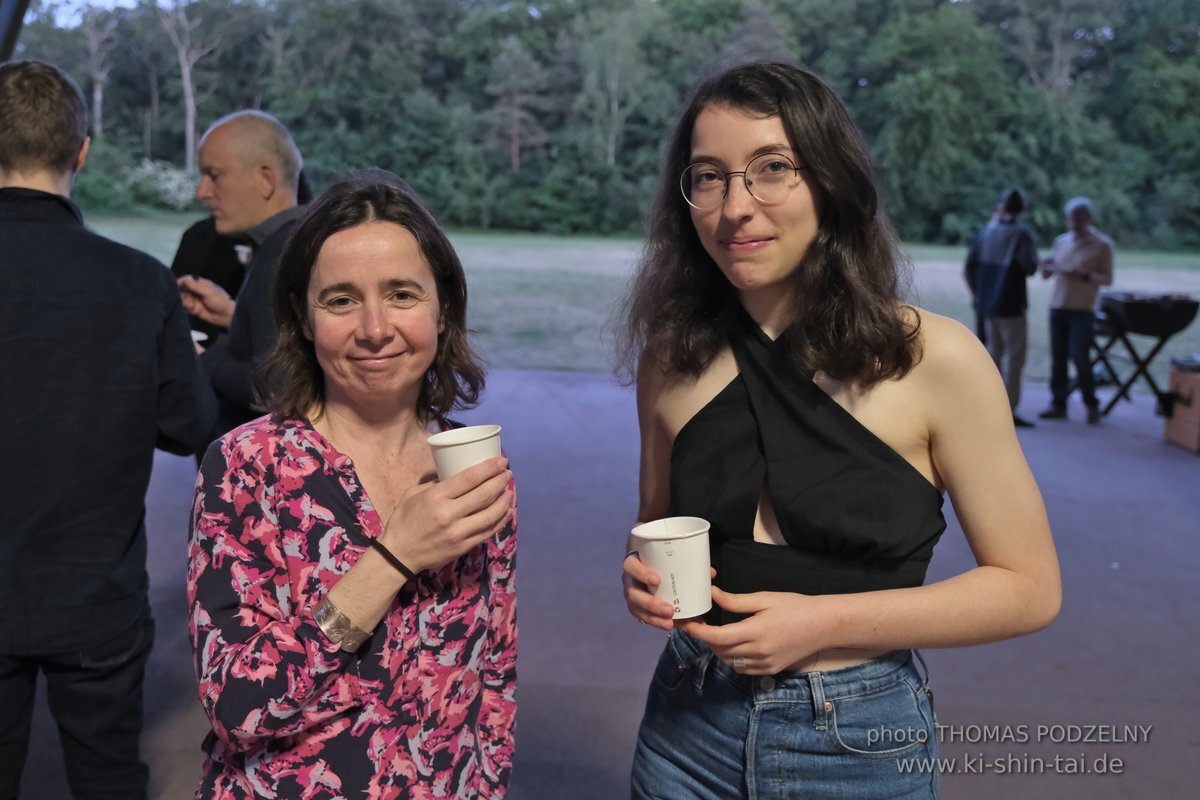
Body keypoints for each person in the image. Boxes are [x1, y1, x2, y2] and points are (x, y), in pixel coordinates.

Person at [618, 61, 1061, 798]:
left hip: (856, 739)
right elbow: (656, 526)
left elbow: (1029, 589)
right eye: (708, 176)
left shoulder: (932, 358)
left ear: (830, 180)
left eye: (772, 169)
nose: (736, 207)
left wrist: (820, 625)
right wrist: (641, 580)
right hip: (685, 724)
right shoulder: (671, 356)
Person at [187, 171, 517, 798]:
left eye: (401, 295)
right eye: (340, 300)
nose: (373, 328)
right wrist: (393, 558)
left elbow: (492, 675)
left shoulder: (472, 464)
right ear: (303, 321)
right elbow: (235, 708)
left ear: (442, 309)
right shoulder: (245, 468)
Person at [0, 60, 215, 799]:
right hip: (95, 595)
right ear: (82, 153)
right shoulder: (138, 280)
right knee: (107, 778)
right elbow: (190, 428)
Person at [177, 110, 307, 440]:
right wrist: (234, 319)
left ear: (265, 178)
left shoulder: (281, 253)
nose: (202, 192)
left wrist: (205, 359)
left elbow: (279, 388)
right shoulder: (297, 240)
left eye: (215, 175)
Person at [964, 188, 1039, 427]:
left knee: (993, 357)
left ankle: (988, 408)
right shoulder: (1021, 234)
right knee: (1014, 359)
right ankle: (1008, 411)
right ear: (1022, 209)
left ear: (1000, 207)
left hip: (987, 305)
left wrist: (978, 295)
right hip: (1011, 305)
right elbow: (1031, 267)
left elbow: (969, 267)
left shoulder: (985, 232)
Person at [1038, 197, 1114, 425]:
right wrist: (1047, 267)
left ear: (1088, 219)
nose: (1074, 223)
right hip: (1058, 306)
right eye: (1071, 219)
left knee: (1080, 357)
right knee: (1058, 358)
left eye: (1079, 219)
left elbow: (1108, 278)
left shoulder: (1102, 245)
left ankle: (1091, 404)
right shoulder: (1061, 241)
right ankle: (1058, 403)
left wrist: (1084, 276)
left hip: (1083, 309)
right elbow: (1047, 274)